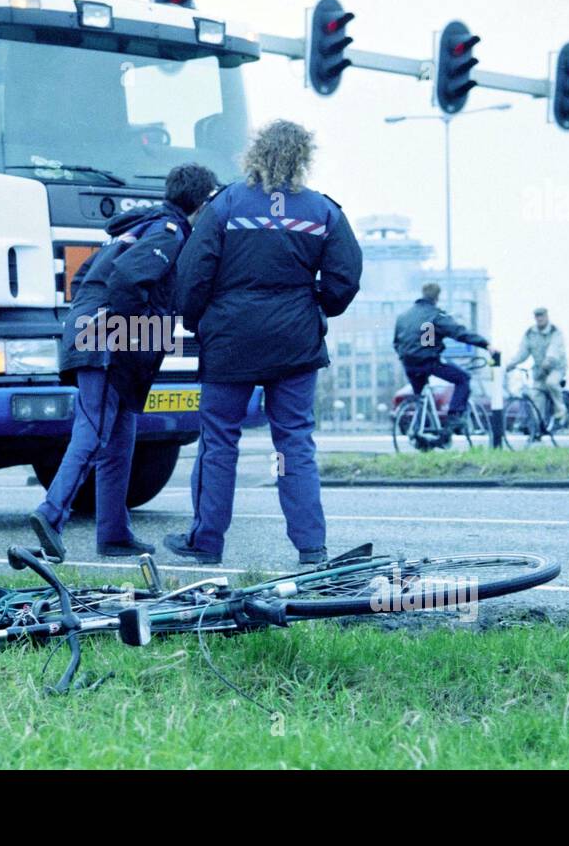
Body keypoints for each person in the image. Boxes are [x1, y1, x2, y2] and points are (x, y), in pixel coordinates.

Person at [162, 120, 363, 566]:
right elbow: (344, 278)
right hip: (294, 342)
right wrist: (316, 309)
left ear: (254, 155)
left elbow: (193, 274)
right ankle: (311, 546)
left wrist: (199, 322)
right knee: (293, 442)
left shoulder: (225, 204)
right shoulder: (323, 211)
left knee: (219, 441)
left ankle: (207, 541)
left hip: (231, 341)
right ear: (303, 157)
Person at [29, 163, 219, 563]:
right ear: (201, 205)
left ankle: (114, 533)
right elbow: (127, 281)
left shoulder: (137, 228)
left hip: (100, 335)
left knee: (119, 439)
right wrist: (127, 334)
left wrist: (91, 321)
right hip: (109, 343)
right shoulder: (168, 234)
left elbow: (83, 281)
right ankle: (51, 514)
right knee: (95, 432)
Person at [393, 283, 497, 441]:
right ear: (437, 297)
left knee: (421, 396)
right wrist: (485, 344)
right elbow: (459, 333)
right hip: (429, 361)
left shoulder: (403, 316)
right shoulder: (436, 315)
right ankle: (454, 418)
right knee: (463, 379)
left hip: (408, 364)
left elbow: (396, 342)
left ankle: (419, 433)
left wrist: (404, 356)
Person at [506, 306, 568, 427]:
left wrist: (549, 360)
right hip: (540, 370)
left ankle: (561, 411)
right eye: (537, 316)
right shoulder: (530, 333)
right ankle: (538, 427)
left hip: (556, 367)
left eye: (542, 316)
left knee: (551, 383)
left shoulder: (555, 331)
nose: (540, 319)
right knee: (536, 395)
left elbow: (555, 348)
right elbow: (522, 352)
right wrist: (511, 364)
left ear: (547, 316)